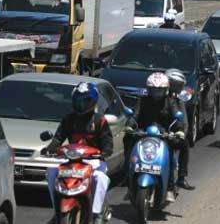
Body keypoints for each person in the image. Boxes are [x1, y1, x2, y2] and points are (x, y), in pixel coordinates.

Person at [41, 82, 113, 224]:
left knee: (100, 178)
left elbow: (107, 142)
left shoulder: (100, 120)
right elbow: (58, 138)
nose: (81, 105)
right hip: (71, 160)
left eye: (84, 102)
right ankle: (56, 211)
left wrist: (105, 151)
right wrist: (49, 148)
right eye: (78, 102)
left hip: (94, 160)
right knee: (51, 173)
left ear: (92, 102)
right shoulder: (68, 119)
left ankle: (96, 213)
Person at [126, 72, 190, 202]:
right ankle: (128, 177)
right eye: (154, 90)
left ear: (165, 90)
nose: (156, 94)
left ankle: (176, 182)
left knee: (183, 145)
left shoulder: (170, 102)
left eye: (159, 90)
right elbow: (135, 115)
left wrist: (179, 131)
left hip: (165, 136)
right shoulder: (143, 101)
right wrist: (130, 126)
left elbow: (177, 118)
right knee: (127, 141)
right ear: (149, 89)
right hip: (144, 134)